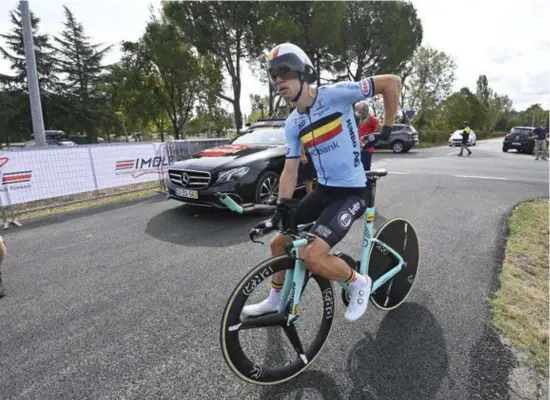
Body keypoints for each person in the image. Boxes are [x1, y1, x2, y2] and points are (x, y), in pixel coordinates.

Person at [243, 42, 400, 322]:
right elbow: (290, 170)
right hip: (325, 191)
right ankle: (275, 298)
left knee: (313, 256)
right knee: (279, 243)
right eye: (273, 75)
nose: (279, 80)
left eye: (285, 71)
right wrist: (281, 207)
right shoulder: (293, 124)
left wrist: (387, 128)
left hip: (352, 193)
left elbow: (391, 83)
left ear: (305, 73)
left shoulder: (335, 95)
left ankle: (358, 283)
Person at [354, 101, 381, 175]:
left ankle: (368, 186)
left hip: (367, 149)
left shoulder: (371, 118)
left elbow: (380, 131)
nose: (357, 111)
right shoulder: (361, 119)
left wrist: (367, 137)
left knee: (365, 171)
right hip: (360, 149)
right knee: (360, 171)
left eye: (359, 109)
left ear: (364, 109)